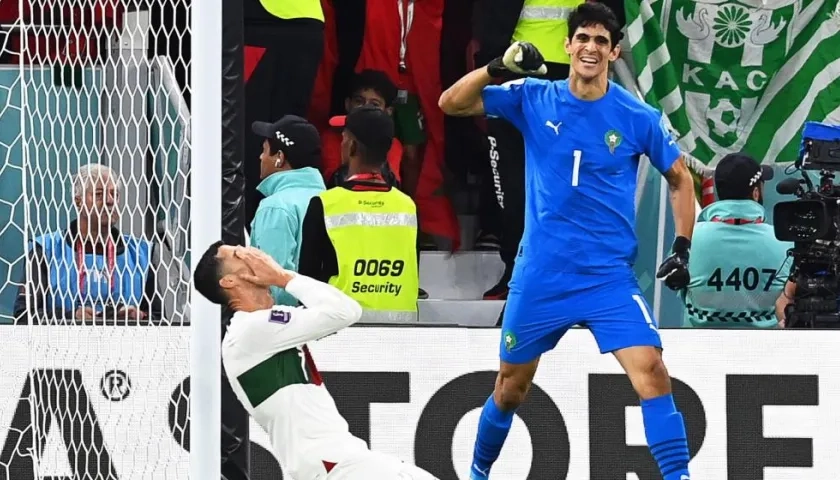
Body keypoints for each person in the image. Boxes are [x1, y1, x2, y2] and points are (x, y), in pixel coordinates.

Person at [438, 3, 696, 480]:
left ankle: (678, 477)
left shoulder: (636, 116)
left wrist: (682, 247)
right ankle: (477, 474)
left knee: (653, 371)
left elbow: (681, 181)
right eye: (584, 38)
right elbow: (450, 104)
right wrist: (496, 67)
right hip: (542, 276)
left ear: (614, 51)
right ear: (568, 45)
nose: (591, 48)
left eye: (602, 41)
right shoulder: (534, 96)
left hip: (607, 278)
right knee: (510, 389)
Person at [192, 244, 438, 479]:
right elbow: (345, 311)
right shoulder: (248, 331)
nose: (253, 255)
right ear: (229, 281)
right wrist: (283, 277)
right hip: (332, 464)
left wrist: (284, 277)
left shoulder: (262, 326)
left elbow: (341, 308)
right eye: (239, 254)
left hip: (338, 461)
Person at [474, 0, 584, 299]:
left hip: (569, 78)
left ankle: (559, 276)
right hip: (515, 68)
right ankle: (514, 271)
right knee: (512, 184)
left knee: (564, 183)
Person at [299, 105, 421, 321]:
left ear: (352, 146)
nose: (342, 143)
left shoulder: (325, 204)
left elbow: (307, 284)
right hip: (401, 331)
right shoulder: (407, 206)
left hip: (341, 329)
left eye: (344, 137)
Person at [14, 164, 163, 324]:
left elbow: (160, 321)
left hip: (121, 346)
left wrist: (137, 317)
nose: (109, 201)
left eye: (115, 194)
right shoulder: (45, 249)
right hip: (62, 346)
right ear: (78, 202)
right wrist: (70, 316)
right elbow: (23, 315)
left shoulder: (142, 254)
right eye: (99, 194)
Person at [682, 153, 790, 328]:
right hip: (767, 349)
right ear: (756, 193)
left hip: (698, 348)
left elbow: (678, 286)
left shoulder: (689, 238)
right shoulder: (784, 242)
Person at [250, 115, 326, 306]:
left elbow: (276, 282)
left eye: (265, 150)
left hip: (289, 328)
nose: (260, 157)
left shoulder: (276, 207)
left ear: (279, 158)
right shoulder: (332, 200)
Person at [322, 69, 402, 188]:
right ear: (348, 104)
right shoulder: (331, 138)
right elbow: (334, 183)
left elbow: (390, 185)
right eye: (359, 101)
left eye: (374, 104)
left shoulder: (394, 144)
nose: (365, 108)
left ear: (388, 111)